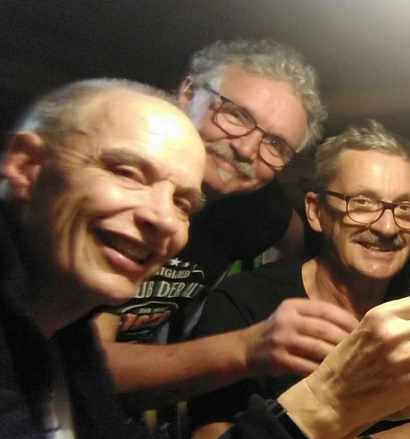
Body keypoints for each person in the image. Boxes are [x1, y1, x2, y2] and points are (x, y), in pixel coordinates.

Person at [0, 79, 410, 439]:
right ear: (27, 166)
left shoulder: (67, 337)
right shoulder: (248, 301)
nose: (163, 219)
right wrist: (328, 403)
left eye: (183, 203)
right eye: (127, 173)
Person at [188, 120, 410, 439]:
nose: (387, 227)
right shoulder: (246, 303)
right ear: (315, 211)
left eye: (404, 208)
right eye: (362, 203)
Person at [91, 39, 330, 413]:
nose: (246, 149)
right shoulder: (115, 180)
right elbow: (85, 369)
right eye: (235, 115)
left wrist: (249, 300)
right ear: (188, 93)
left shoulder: (256, 207)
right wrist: (246, 347)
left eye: (276, 144)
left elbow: (292, 238)